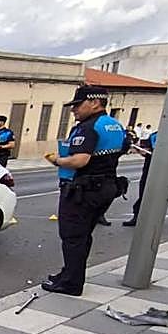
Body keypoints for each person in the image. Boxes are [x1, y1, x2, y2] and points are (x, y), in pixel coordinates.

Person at [42, 85, 126, 296]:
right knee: (83, 235)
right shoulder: (114, 125)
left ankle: (71, 283)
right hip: (105, 186)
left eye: (78, 105)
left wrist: (57, 160)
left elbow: (80, 160)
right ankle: (69, 273)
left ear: (95, 103)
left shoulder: (88, 127)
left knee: (72, 236)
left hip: (84, 190)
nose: (74, 110)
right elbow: (122, 149)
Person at [122, 127, 168, 227]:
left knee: (159, 193)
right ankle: (138, 216)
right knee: (144, 192)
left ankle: (154, 217)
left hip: (165, 168)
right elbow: (147, 149)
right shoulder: (155, 134)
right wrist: (141, 151)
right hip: (150, 166)